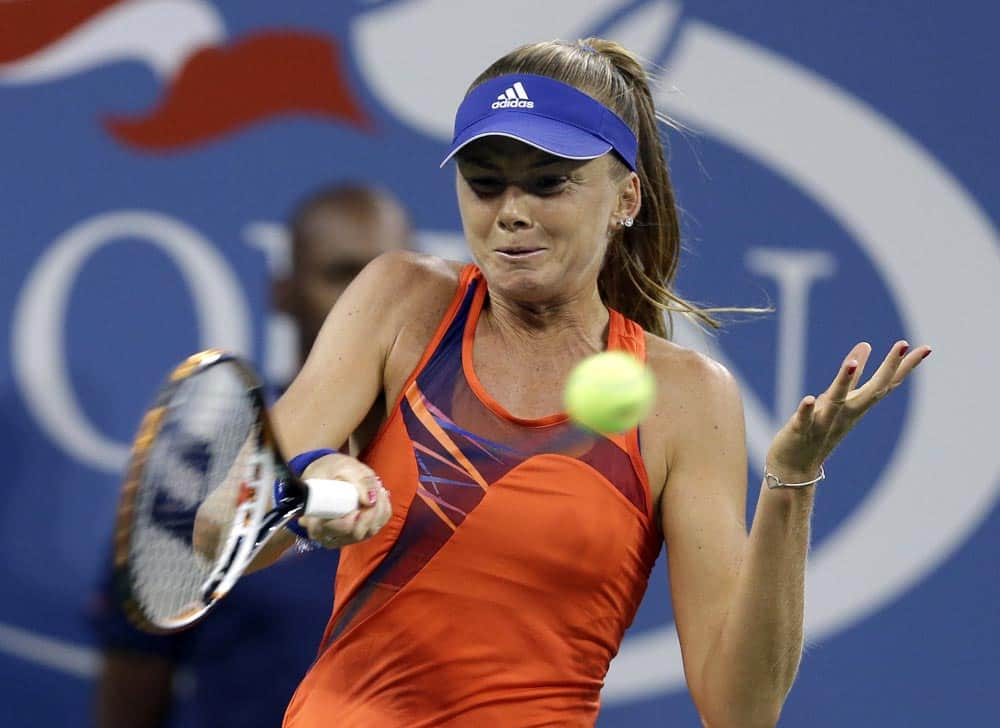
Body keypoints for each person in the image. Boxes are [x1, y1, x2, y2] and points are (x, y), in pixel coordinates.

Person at [242, 39, 931, 727]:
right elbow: (224, 525)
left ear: (624, 197)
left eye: (548, 182)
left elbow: (741, 709)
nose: (511, 210)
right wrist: (309, 482)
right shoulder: (401, 300)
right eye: (485, 182)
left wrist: (791, 481)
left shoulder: (688, 397)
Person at [92, 184, 412, 728]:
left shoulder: (467, 460)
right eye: (341, 274)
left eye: (387, 279)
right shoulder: (201, 468)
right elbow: (135, 676)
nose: (367, 304)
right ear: (283, 292)